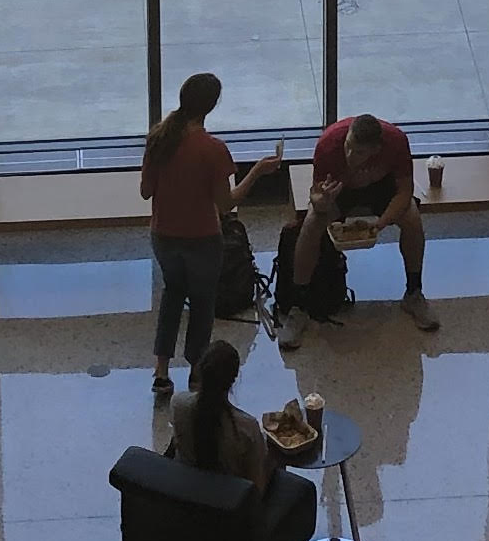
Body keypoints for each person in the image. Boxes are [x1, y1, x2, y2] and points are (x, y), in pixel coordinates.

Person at [139, 71, 283, 399]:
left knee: (173, 293)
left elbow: (146, 191)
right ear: (212, 105)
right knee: (203, 302)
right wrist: (258, 171)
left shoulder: (158, 140)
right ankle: (195, 369)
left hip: (163, 236)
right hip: (202, 238)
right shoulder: (214, 149)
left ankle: (161, 371)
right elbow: (226, 204)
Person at [280, 112, 436, 338]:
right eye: (349, 146)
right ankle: (299, 305)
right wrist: (322, 200)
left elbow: (404, 192)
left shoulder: (396, 142)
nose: (351, 154)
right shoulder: (329, 144)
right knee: (312, 223)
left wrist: (379, 225)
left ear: (376, 149)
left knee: (411, 218)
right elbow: (315, 195)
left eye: (359, 151)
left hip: (381, 186)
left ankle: (414, 293)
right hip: (339, 188)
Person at [167, 335, 275, 493]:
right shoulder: (247, 428)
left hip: (185, 495)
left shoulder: (177, 404)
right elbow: (257, 488)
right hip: (229, 507)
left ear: (200, 369)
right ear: (233, 379)